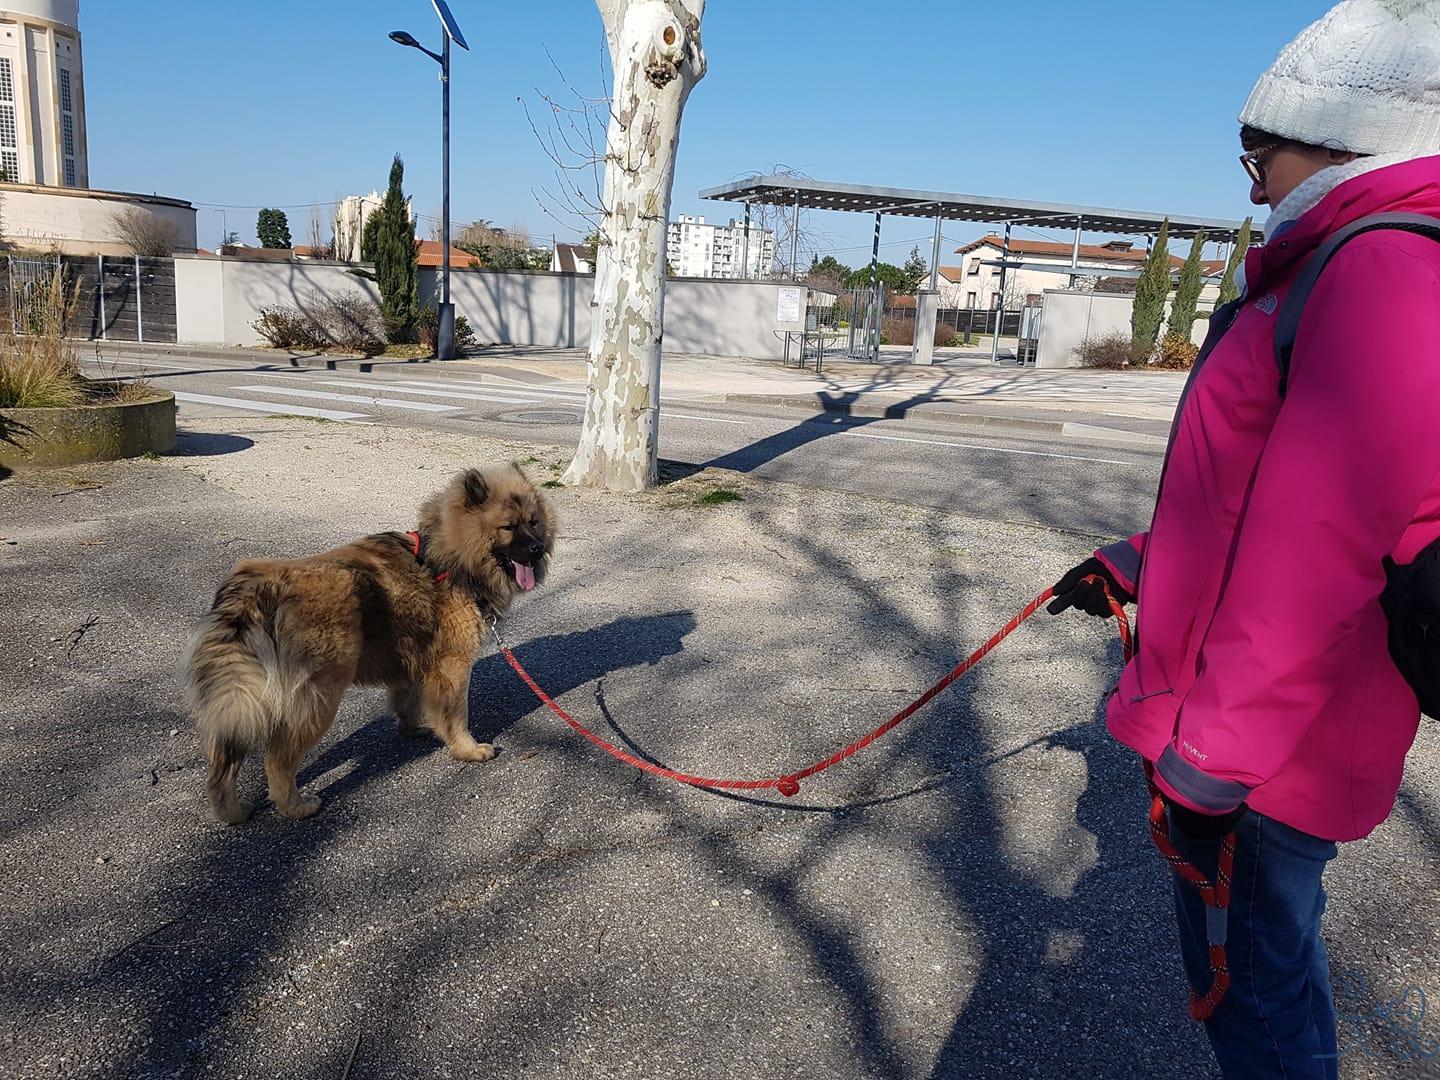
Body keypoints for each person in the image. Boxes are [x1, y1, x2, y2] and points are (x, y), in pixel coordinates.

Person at [1048, 1, 1440, 1076]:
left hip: (1273, 747)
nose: (1253, 180)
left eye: (1258, 152)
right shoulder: (1340, 260)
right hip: (1264, 727)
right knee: (1265, 973)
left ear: (1353, 131)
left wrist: (1216, 764)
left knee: (1253, 997)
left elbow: (1318, 558)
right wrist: (1140, 563)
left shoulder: (1382, 267)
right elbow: (1260, 497)